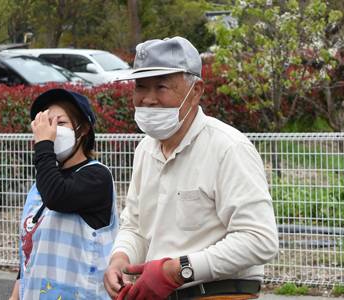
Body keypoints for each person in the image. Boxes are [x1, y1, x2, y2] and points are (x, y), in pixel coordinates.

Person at [103, 37, 279, 300]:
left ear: (195, 91)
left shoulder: (228, 148)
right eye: (140, 87)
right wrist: (120, 260)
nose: (148, 99)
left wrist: (177, 270)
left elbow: (259, 239)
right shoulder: (145, 150)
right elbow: (135, 226)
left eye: (161, 86)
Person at [9, 88, 118, 300]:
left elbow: (57, 196)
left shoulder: (97, 177)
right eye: (47, 124)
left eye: (61, 123)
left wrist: (43, 146)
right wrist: (16, 296)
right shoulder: (41, 184)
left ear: (83, 129)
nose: (52, 131)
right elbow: (31, 250)